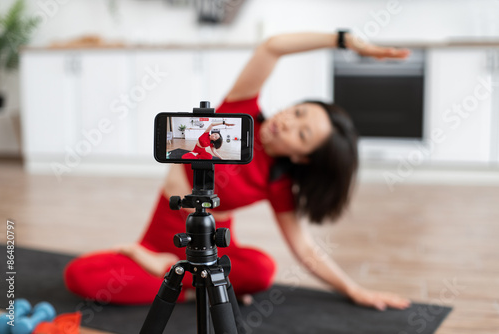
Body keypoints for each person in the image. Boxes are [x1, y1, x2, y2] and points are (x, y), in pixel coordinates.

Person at [64, 31, 411, 311]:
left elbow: (304, 249)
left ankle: (181, 284)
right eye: (300, 112)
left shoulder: (278, 180)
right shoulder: (238, 112)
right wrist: (343, 40)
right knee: (79, 277)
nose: (289, 122)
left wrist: (354, 289)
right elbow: (272, 48)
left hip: (211, 251)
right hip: (158, 244)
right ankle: (186, 283)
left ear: (304, 158)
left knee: (262, 269)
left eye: (302, 134)